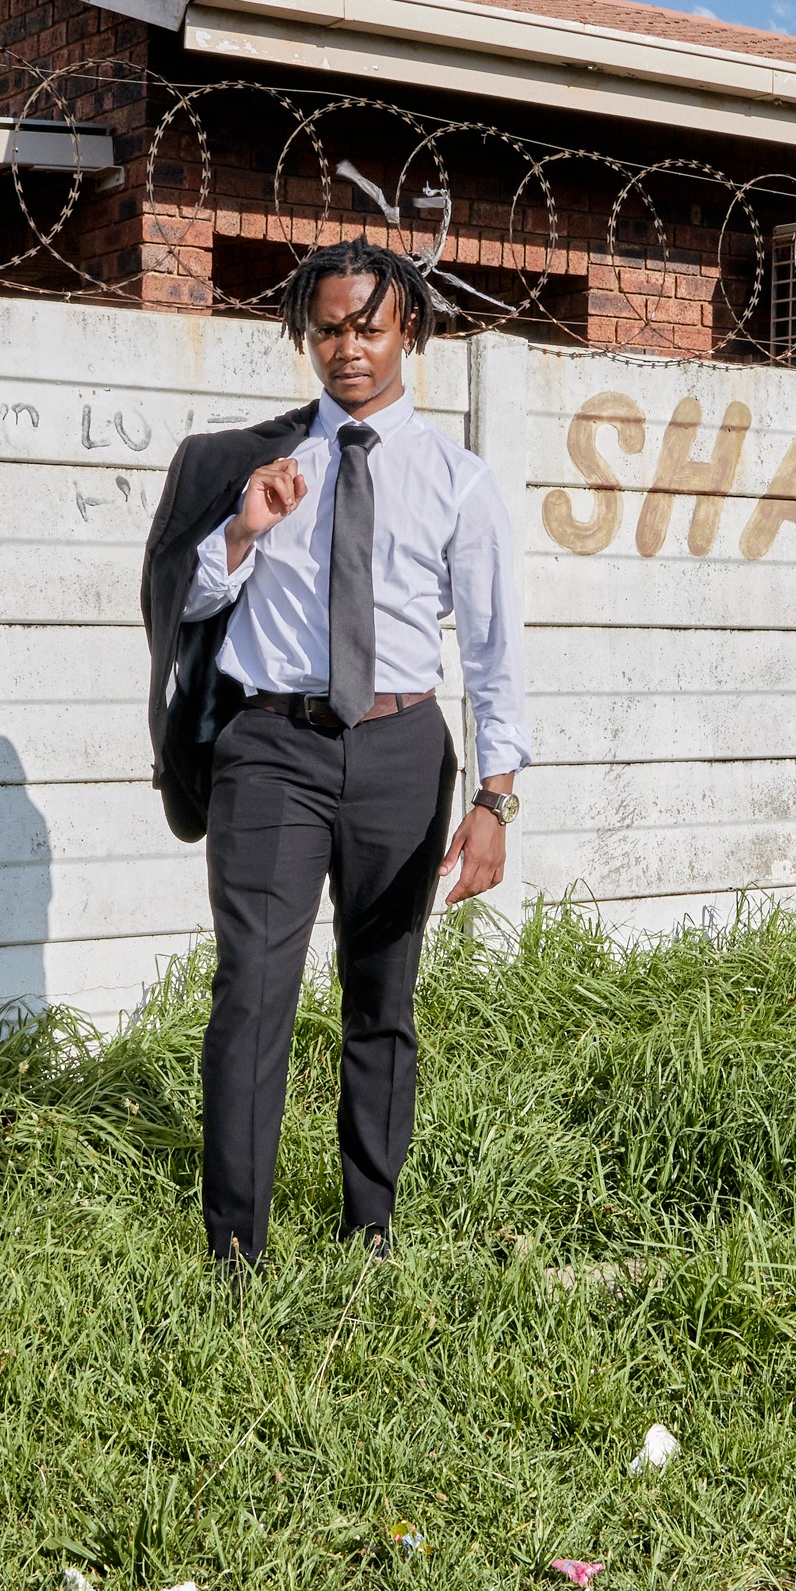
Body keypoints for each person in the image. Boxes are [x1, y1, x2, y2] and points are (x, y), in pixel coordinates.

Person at [138, 240, 529, 1268]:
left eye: (368, 324)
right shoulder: (259, 466)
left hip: (402, 748)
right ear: (304, 335)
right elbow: (184, 607)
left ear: (410, 330)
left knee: (382, 995)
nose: (346, 347)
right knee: (253, 991)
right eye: (327, 328)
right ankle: (234, 1248)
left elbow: (492, 650)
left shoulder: (459, 480)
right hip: (271, 748)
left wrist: (496, 797)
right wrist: (241, 533)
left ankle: (371, 1227)